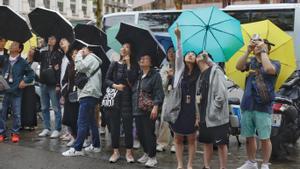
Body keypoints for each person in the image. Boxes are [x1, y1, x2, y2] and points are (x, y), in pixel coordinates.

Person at [236, 35, 280, 169]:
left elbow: (269, 70)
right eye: (257, 45)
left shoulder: (275, 63)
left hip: (263, 105)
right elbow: (238, 66)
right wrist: (247, 51)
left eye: (261, 45)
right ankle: (251, 162)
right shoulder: (251, 63)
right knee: (249, 136)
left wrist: (263, 52)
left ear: (268, 49)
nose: (257, 47)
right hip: (247, 104)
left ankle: (265, 164)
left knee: (264, 137)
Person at [62, 43, 102, 157]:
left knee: (82, 121)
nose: (81, 50)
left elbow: (79, 67)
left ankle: (77, 148)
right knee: (91, 121)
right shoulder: (91, 60)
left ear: (89, 50)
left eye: (83, 48)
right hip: (88, 93)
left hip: (88, 94)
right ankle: (96, 145)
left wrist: (78, 55)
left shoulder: (91, 58)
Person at [170, 26, 200, 169]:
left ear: (196, 59)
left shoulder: (199, 74)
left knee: (192, 138)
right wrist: (179, 38)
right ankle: (180, 164)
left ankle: (190, 164)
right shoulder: (180, 71)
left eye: (193, 54)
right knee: (178, 137)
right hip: (178, 107)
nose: (190, 55)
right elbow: (178, 54)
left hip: (192, 108)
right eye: (188, 53)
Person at [195, 51, 229, 169]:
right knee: (206, 142)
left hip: (216, 116)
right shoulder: (200, 75)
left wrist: (214, 110)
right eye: (197, 55)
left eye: (201, 55)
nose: (198, 56)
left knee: (221, 144)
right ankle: (206, 166)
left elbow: (221, 94)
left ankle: (223, 167)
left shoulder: (215, 71)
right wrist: (199, 116)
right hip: (204, 115)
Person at [105, 43, 138, 163]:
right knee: (114, 126)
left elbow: (133, 81)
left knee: (128, 126)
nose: (124, 48)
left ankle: (129, 152)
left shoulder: (134, 65)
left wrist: (129, 64)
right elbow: (106, 80)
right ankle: (116, 152)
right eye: (123, 46)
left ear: (130, 52)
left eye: (127, 47)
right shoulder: (114, 63)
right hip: (115, 98)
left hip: (128, 99)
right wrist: (115, 85)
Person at [132, 54, 164, 168]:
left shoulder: (155, 75)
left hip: (148, 110)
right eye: (141, 58)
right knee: (140, 133)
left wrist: (155, 107)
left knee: (149, 133)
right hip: (137, 109)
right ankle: (146, 153)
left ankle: (152, 157)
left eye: (145, 58)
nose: (142, 59)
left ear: (151, 63)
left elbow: (159, 92)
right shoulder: (139, 75)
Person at [0, 41, 35, 142]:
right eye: (11, 44)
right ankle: (2, 132)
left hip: (16, 91)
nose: (11, 45)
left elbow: (31, 74)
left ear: (19, 49)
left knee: (16, 113)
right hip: (4, 90)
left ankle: (15, 133)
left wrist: (24, 81)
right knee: (1, 112)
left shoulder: (22, 62)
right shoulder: (4, 58)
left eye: (14, 45)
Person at [34, 35, 64, 138]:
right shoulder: (43, 51)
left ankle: (57, 129)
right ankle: (46, 128)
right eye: (49, 38)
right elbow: (36, 59)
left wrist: (58, 84)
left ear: (56, 40)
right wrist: (37, 48)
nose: (51, 40)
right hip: (43, 82)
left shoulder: (59, 53)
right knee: (44, 107)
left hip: (53, 83)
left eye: (53, 39)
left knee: (56, 107)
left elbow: (60, 70)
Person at [156, 45, 176, 153]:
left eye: (173, 51)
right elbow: (161, 84)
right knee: (164, 120)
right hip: (167, 97)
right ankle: (162, 143)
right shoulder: (164, 67)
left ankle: (175, 144)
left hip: (177, 97)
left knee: (176, 121)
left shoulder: (181, 67)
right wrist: (168, 77)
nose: (171, 53)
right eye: (169, 52)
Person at [60, 38, 79, 147]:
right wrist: (64, 93)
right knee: (69, 118)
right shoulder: (70, 65)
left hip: (79, 96)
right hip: (69, 95)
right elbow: (64, 80)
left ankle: (81, 138)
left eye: (76, 53)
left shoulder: (82, 66)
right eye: (73, 53)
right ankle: (73, 137)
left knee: (77, 118)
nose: (74, 55)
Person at [21, 47, 39, 130]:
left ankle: (31, 124)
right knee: (23, 105)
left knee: (30, 105)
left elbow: (32, 74)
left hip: (30, 85)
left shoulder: (35, 63)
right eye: (30, 51)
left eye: (32, 52)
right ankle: (23, 124)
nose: (30, 53)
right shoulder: (23, 60)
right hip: (22, 85)